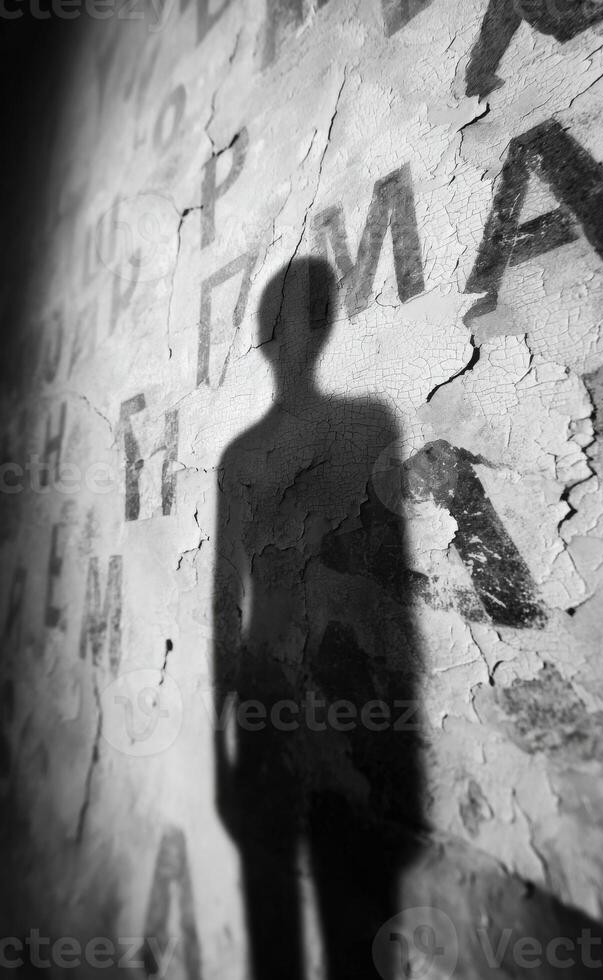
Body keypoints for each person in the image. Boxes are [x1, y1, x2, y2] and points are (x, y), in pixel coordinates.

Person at [214, 257, 425, 980]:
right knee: (272, 921)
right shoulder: (242, 454)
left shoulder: (367, 425)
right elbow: (223, 601)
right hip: (271, 700)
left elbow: (390, 595)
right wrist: (221, 747)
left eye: (305, 320)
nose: (293, 340)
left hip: (343, 699)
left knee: (348, 921)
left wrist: (396, 742)